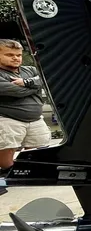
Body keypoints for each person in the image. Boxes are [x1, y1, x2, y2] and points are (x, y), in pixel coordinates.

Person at [0, 39, 51, 180]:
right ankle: (7, 172)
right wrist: (36, 86)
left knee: (39, 148)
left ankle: (29, 172)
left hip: (36, 119)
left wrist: (26, 82)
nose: (16, 58)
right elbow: (16, 91)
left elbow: (48, 79)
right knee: (6, 147)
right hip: (7, 118)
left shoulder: (30, 70)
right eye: (9, 55)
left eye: (18, 55)